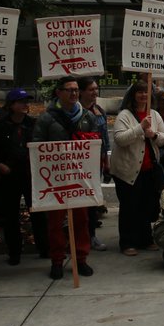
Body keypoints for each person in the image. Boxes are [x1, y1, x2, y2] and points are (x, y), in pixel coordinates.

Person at [33, 76, 101, 279]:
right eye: (69, 90)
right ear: (58, 92)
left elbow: (96, 143)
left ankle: (81, 258)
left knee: (81, 219)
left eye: (76, 90)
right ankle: (56, 260)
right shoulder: (47, 118)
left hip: (80, 176)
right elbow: (37, 146)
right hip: (56, 177)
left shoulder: (88, 117)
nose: (73, 93)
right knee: (55, 222)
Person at [110, 82, 164, 256]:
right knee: (129, 207)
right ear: (133, 95)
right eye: (140, 92)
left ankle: (145, 239)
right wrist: (140, 128)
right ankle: (127, 242)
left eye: (146, 92)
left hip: (149, 170)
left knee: (147, 206)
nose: (143, 95)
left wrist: (154, 135)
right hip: (127, 171)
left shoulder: (154, 114)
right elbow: (120, 139)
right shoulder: (124, 115)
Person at [0, 88, 41, 264]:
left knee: (38, 212)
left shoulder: (33, 124)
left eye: (27, 101)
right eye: (21, 102)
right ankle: (14, 251)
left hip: (30, 174)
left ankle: (43, 246)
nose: (25, 105)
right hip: (9, 175)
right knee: (11, 215)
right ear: (11, 105)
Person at [78, 77, 110, 250]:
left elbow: (105, 140)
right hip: (77, 163)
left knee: (91, 200)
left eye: (96, 89)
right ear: (81, 92)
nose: (95, 92)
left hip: (95, 163)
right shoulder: (75, 111)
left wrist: (106, 163)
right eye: (91, 89)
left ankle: (91, 236)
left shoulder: (99, 111)